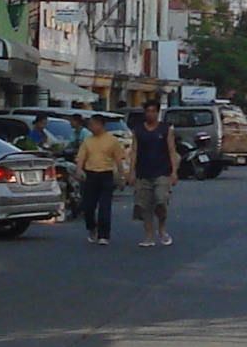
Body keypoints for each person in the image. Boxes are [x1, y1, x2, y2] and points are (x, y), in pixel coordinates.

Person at [72, 113, 130, 245]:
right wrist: (78, 171)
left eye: (92, 124)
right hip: (91, 175)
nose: (90, 127)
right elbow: (81, 157)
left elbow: (118, 160)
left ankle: (104, 235)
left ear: (100, 125)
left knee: (105, 208)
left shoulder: (112, 140)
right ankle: (92, 227)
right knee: (88, 206)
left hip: (106, 175)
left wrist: (122, 177)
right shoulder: (88, 140)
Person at [129, 103, 178, 247]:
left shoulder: (165, 129)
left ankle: (162, 228)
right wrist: (131, 172)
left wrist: (174, 171)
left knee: (161, 201)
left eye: (153, 111)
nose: (150, 114)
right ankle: (149, 235)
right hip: (143, 172)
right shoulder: (138, 130)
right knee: (144, 206)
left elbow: (171, 150)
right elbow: (134, 151)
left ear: (158, 113)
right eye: (148, 111)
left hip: (161, 171)